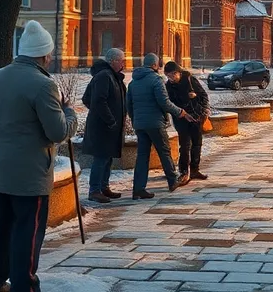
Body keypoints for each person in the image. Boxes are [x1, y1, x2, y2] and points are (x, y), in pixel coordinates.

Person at [0, 20, 78, 292]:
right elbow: (58, 132)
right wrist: (69, 113)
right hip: (28, 172)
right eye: (49, 55)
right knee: (27, 230)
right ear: (44, 55)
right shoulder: (43, 84)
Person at [127, 53, 190, 197]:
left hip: (140, 124)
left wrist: (135, 119)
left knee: (142, 156)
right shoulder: (156, 80)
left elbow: (128, 105)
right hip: (155, 123)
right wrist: (179, 112)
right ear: (155, 65)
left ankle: (138, 188)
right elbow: (164, 102)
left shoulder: (133, 82)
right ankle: (172, 180)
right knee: (164, 151)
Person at [81, 48, 127, 203]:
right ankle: (94, 190)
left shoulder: (113, 77)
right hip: (104, 127)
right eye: (121, 60)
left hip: (109, 127)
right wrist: (108, 119)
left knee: (107, 158)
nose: (123, 63)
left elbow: (88, 99)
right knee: (101, 158)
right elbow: (96, 100)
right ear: (113, 61)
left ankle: (104, 186)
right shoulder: (104, 76)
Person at [164, 61, 209, 184]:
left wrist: (203, 109)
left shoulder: (190, 80)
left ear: (179, 72)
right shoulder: (168, 86)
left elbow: (204, 95)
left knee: (197, 143)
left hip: (196, 116)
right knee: (184, 145)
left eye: (173, 75)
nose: (171, 78)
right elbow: (169, 104)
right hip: (181, 119)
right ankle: (184, 171)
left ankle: (195, 169)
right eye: (168, 76)